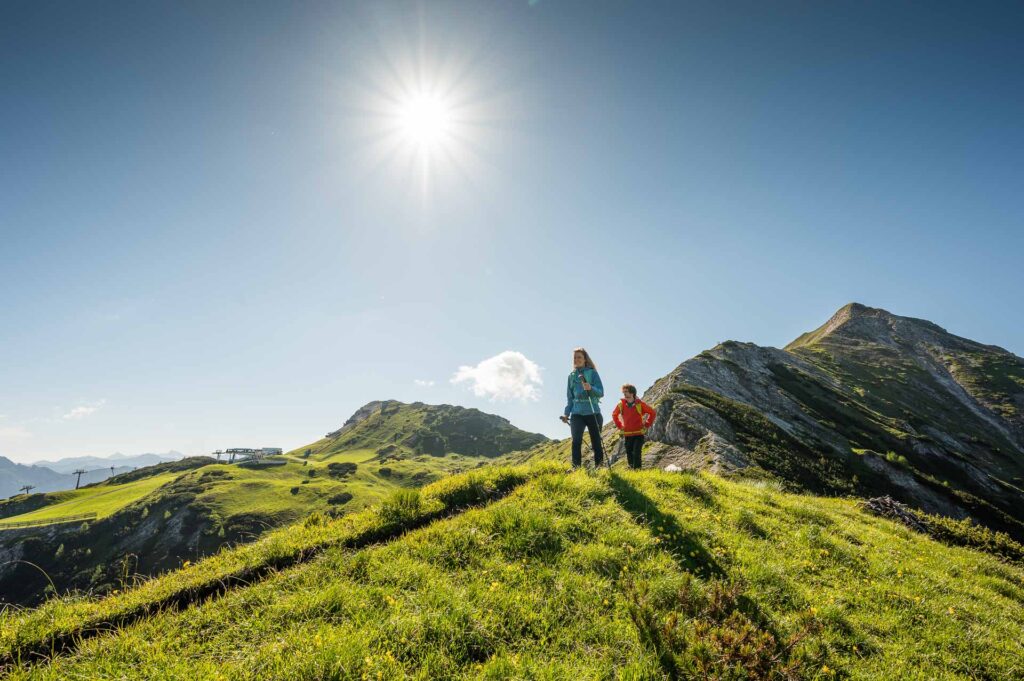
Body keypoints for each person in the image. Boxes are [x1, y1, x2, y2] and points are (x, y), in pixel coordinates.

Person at [560, 347, 605, 468]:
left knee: (596, 442)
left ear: (585, 359)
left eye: (579, 357)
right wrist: (566, 414)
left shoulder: (593, 373)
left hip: (593, 411)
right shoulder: (571, 376)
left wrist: (591, 388)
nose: (576, 359)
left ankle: (599, 467)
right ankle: (576, 468)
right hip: (577, 413)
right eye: (575, 357)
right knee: (576, 441)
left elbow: (601, 392)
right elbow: (570, 398)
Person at [612, 384, 656, 470]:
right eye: (623, 392)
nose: (624, 394)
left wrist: (647, 424)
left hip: (638, 433)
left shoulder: (640, 404)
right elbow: (614, 415)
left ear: (632, 393)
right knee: (629, 452)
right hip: (627, 434)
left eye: (626, 392)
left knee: (636, 452)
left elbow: (652, 413)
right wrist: (620, 426)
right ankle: (632, 469)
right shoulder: (620, 405)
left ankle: (637, 470)